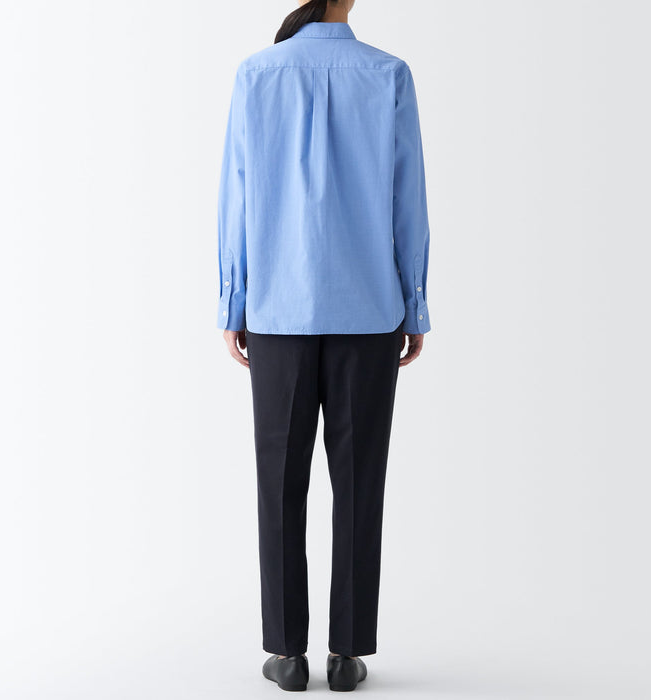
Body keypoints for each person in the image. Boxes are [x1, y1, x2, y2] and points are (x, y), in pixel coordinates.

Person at [216, 0, 431, 691]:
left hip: (277, 310)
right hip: (368, 311)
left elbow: (237, 195)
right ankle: (347, 653)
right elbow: (408, 199)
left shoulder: (256, 74)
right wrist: (415, 302)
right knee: (360, 484)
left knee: (279, 485)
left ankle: (286, 654)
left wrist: (232, 300)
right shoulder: (389, 74)